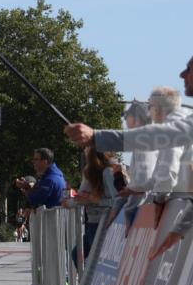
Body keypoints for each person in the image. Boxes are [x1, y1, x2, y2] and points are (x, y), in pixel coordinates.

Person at [66, 56, 193, 258]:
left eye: (189, 69)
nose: (182, 75)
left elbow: (165, 164)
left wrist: (96, 136)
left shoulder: (179, 120)